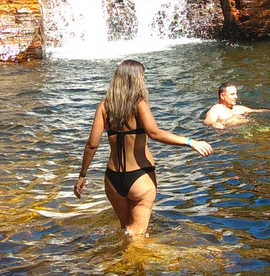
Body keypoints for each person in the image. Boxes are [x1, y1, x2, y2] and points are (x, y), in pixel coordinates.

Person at [74, 59, 213, 237]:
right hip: (140, 175)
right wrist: (190, 142)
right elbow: (154, 133)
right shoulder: (139, 103)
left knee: (126, 230)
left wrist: (82, 176)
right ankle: (133, 265)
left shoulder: (104, 106)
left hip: (112, 179)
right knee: (137, 235)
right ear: (137, 80)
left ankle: (118, 263)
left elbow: (92, 144)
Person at [203, 83, 270, 128]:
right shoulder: (217, 109)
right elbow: (208, 121)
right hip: (235, 134)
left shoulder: (239, 108)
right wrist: (214, 124)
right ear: (222, 96)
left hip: (250, 127)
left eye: (236, 94)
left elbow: (258, 111)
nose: (236, 97)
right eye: (232, 94)